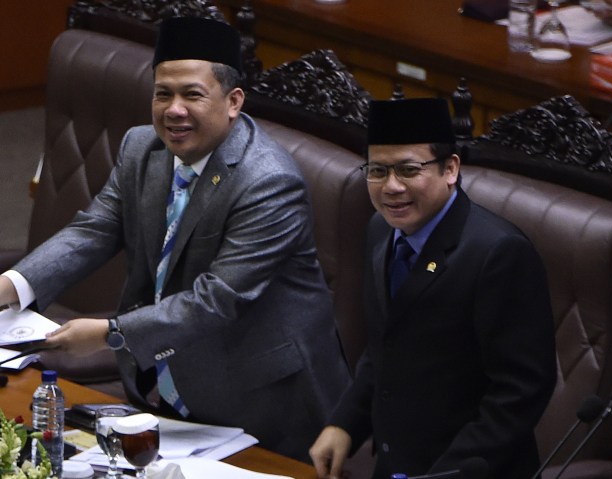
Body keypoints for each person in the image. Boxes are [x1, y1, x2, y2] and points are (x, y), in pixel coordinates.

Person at [0, 16, 351, 462]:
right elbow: (94, 229)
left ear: (233, 101)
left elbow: (216, 298)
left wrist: (112, 334)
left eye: (192, 94)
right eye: (163, 93)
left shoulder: (269, 181)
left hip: (265, 402)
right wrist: (11, 286)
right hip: (170, 382)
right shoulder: (141, 148)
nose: (174, 110)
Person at [308, 98, 557, 479]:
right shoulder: (380, 230)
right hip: (395, 464)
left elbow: (520, 392)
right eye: (377, 170)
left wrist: (449, 475)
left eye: (409, 170)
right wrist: (345, 423)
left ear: (450, 168)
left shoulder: (499, 253)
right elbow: (384, 348)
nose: (391, 187)